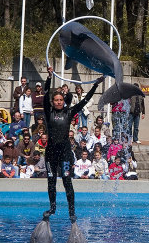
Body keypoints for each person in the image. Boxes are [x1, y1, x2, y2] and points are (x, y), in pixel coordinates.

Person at [43, 66, 104, 222]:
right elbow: (45, 93)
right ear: (52, 102)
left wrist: (96, 85)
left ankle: (71, 211)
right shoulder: (48, 111)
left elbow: (84, 101)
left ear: (64, 101)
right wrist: (49, 77)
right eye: (55, 100)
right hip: (50, 154)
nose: (58, 102)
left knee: (67, 181)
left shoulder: (69, 112)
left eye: (60, 100)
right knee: (51, 182)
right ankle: (52, 208)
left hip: (64, 154)